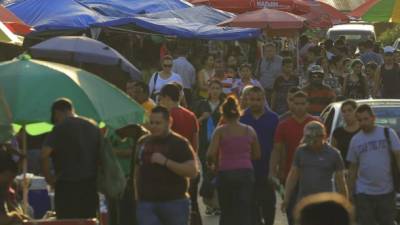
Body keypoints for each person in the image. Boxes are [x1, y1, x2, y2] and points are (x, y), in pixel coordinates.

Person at [135, 106, 198, 225]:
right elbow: (137, 170)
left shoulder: (179, 143)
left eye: (158, 123)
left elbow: (192, 171)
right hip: (146, 203)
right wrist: (137, 197)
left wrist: (166, 162)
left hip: (174, 202)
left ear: (169, 122)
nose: (153, 126)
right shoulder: (142, 142)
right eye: (151, 122)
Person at [41, 98, 101, 219]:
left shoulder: (60, 128)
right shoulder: (93, 126)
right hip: (90, 184)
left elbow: (44, 155)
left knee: (67, 220)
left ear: (57, 112)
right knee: (88, 219)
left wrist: (49, 178)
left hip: (66, 185)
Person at [207, 96, 261, 225]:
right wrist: (244, 158)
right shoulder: (250, 131)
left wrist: (213, 165)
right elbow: (257, 155)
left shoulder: (220, 131)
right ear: (239, 113)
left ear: (223, 114)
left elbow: (210, 153)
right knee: (244, 209)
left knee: (226, 210)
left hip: (226, 173)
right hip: (245, 173)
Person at [269, 91, 318, 225]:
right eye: (296, 104)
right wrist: (272, 171)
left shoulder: (316, 123)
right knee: (292, 214)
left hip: (313, 177)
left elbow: (324, 149)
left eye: (303, 103)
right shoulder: (283, 125)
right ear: (291, 105)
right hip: (290, 177)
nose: (299, 107)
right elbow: (276, 150)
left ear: (308, 104)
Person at [347, 104, 400, 225]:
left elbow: (398, 158)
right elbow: (353, 169)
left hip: (387, 191)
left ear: (373, 118)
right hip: (363, 192)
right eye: (360, 120)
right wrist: (349, 192)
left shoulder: (388, 133)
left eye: (366, 119)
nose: (363, 123)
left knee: (387, 221)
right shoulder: (356, 140)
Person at [158, 84, 201, 225]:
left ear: (166, 97)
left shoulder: (166, 118)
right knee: (192, 205)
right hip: (189, 164)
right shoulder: (191, 115)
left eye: (161, 97)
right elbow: (196, 143)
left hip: (170, 168)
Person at [282, 121, 348, 212]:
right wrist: (286, 198)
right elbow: (293, 176)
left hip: (325, 203)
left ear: (322, 137)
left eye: (313, 141)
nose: (310, 144)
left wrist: (344, 202)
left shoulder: (334, 154)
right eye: (308, 141)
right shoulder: (300, 151)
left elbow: (341, 181)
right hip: (304, 202)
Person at [240, 86, 279, 225]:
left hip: (267, 167)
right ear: (247, 100)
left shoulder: (274, 118)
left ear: (264, 100)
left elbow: (278, 146)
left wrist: (274, 169)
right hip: (247, 169)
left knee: (268, 203)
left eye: (258, 99)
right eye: (252, 99)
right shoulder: (242, 118)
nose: (255, 102)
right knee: (250, 205)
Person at [194, 80, 224, 215]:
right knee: (207, 173)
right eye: (213, 88)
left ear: (221, 90)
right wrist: (202, 118)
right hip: (204, 144)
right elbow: (193, 123)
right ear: (209, 90)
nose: (215, 90)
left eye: (218, 88)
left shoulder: (225, 105)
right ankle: (209, 204)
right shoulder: (201, 105)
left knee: (219, 173)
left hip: (221, 145)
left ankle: (219, 203)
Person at [0, 149, 27, 225]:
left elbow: (8, 205)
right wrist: (14, 215)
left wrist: (23, 216)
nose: (9, 183)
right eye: (8, 179)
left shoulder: (3, 188)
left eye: (12, 179)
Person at [331, 100, 359, 168]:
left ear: (357, 112)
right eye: (344, 111)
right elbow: (332, 155)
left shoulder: (364, 130)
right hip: (344, 172)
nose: (347, 113)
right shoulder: (338, 133)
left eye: (350, 110)